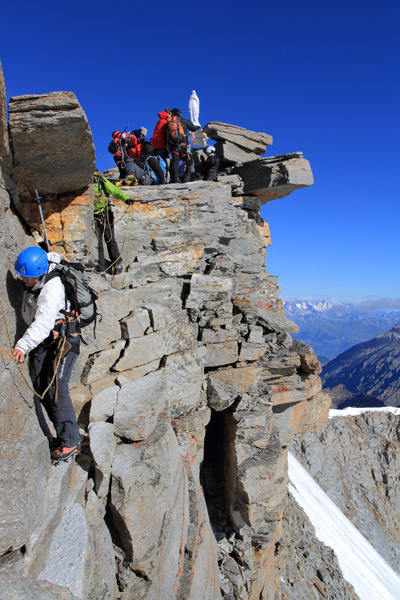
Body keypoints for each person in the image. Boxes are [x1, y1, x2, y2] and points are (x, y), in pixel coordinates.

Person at [12, 247, 82, 462]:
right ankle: (61, 435)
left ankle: (71, 441)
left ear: (40, 272)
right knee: (42, 385)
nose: (23, 279)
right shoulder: (40, 272)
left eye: (27, 276)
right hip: (48, 340)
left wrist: (23, 346)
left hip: (65, 341)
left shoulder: (52, 289)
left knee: (57, 389)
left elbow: (43, 324)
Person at [93, 171, 133, 273]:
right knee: (98, 242)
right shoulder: (85, 184)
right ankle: (101, 267)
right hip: (93, 216)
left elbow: (115, 190)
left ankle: (117, 263)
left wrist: (126, 199)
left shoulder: (101, 181)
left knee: (109, 238)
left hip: (105, 214)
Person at [167, 108, 200, 184]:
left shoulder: (169, 122)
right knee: (189, 162)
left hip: (174, 147)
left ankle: (176, 180)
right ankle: (187, 178)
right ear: (179, 114)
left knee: (175, 164)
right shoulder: (183, 120)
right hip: (183, 145)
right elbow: (194, 128)